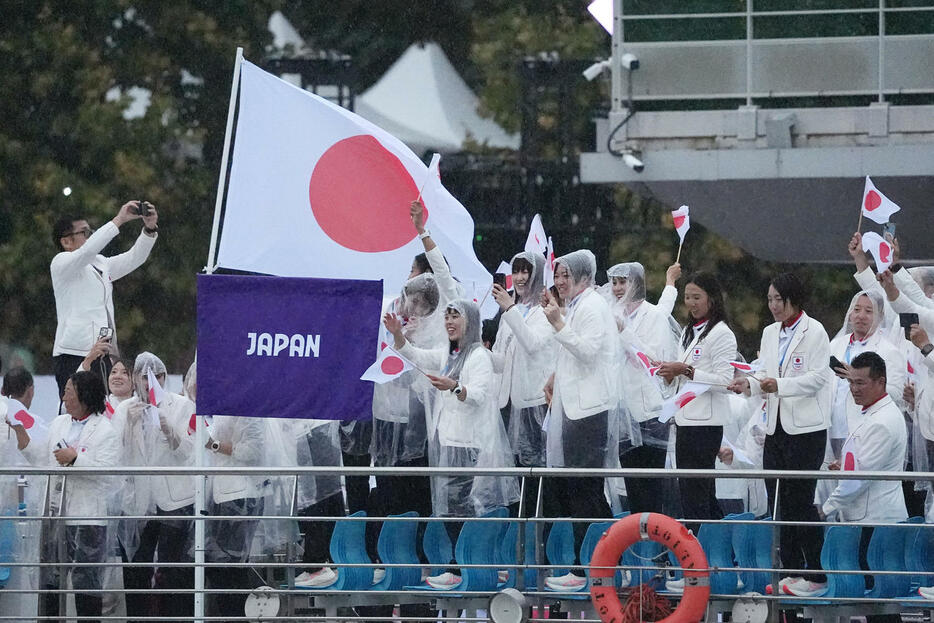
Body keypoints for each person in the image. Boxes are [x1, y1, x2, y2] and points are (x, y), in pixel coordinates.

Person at [384, 298, 518, 589]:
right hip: (449, 440)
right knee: (452, 508)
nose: (450, 322)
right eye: (448, 317)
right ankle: (469, 565)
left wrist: (454, 386)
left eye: (456, 317)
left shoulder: (478, 356)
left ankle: (463, 567)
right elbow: (417, 356)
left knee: (463, 509)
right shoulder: (449, 352)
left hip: (468, 443)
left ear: (470, 322)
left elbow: (480, 395)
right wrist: (397, 335)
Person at [728, 272, 833, 598]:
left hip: (805, 429)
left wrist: (779, 385)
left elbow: (817, 378)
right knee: (777, 502)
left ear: (793, 299)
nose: (773, 306)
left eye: (779, 299)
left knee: (801, 500)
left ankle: (815, 573)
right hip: (774, 427)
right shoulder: (770, 333)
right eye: (770, 299)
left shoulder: (815, 331)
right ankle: (789, 570)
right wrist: (751, 384)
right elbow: (764, 373)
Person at [540, 250, 619, 591]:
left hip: (588, 411)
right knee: (581, 489)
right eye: (557, 275)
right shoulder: (578, 306)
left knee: (585, 490)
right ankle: (594, 564)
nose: (559, 282)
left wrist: (557, 322)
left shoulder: (592, 306)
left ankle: (592, 566)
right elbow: (578, 355)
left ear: (584, 276)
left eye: (566, 275)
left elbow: (588, 351)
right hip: (576, 408)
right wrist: (556, 376)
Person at [19, 371, 118, 623]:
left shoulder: (106, 430)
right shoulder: (59, 423)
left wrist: (75, 459)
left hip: (87, 517)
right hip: (55, 514)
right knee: (51, 580)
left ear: (83, 395)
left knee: (86, 584)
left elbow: (108, 474)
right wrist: (21, 436)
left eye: (69, 391)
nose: (64, 396)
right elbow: (43, 458)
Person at [110, 352, 197, 622]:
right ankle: (137, 618)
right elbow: (114, 455)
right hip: (137, 502)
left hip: (175, 500)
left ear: (164, 377)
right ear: (135, 379)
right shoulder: (125, 409)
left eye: (156, 377)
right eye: (143, 377)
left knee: (174, 570)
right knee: (136, 568)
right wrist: (129, 427)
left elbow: (191, 453)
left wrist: (170, 432)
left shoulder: (182, 406)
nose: (150, 383)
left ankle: (174, 618)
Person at [821, 352, 907, 623]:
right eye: (851, 382)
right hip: (873, 516)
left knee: (879, 607)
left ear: (880, 382)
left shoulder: (882, 421)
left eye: (861, 383)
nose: (855, 389)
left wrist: (826, 508)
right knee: (878, 606)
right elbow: (860, 467)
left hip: (875, 519)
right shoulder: (874, 413)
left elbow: (859, 479)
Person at [51, 201, 159, 397]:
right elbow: (87, 251)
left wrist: (149, 229)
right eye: (84, 232)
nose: (90, 236)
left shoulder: (100, 264)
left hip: (102, 353)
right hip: (73, 352)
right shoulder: (60, 263)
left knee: (103, 413)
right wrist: (118, 220)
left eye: (90, 231)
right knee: (73, 409)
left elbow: (134, 258)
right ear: (66, 241)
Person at [657, 272, 736, 530]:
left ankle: (703, 558)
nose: (691, 303)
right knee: (692, 493)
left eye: (697, 297)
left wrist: (686, 370)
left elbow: (726, 382)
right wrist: (669, 373)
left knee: (697, 494)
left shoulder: (722, 333)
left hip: (706, 424)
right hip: (685, 421)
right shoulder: (688, 332)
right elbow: (684, 375)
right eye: (687, 297)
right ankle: (711, 552)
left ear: (711, 299)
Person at [818, 291, 906, 508]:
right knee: (830, 483)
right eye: (857, 309)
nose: (861, 316)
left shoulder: (888, 351)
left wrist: (856, 377)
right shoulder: (835, 345)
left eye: (869, 311)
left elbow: (895, 394)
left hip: (866, 430)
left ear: (880, 315)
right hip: (832, 427)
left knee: (858, 485)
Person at [608, 262, 682, 515]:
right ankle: (636, 546)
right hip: (622, 412)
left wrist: (624, 332)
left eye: (623, 282)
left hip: (650, 413)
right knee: (632, 487)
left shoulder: (654, 316)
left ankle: (655, 548)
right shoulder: (612, 314)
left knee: (651, 487)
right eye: (614, 282)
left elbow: (653, 360)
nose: (617, 288)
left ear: (637, 283)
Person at [490, 251, 556, 516]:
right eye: (515, 271)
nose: (519, 277)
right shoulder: (512, 313)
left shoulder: (545, 312)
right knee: (515, 476)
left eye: (525, 271)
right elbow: (502, 361)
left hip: (535, 404)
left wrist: (509, 308)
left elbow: (532, 344)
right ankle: (521, 539)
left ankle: (541, 539)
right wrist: (474, 349)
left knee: (537, 477)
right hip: (508, 404)